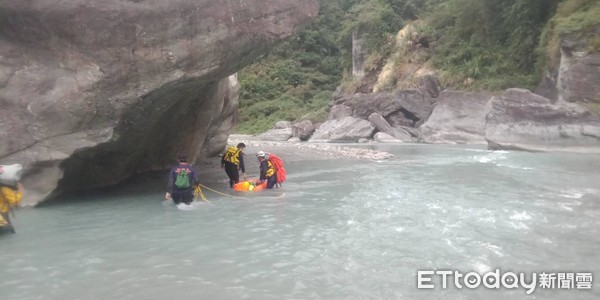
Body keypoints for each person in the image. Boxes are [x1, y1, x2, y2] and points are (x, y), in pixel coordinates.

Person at [0, 164, 24, 234]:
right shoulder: (4, 188)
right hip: (2, 213)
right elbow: (14, 201)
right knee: (8, 232)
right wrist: (20, 191)